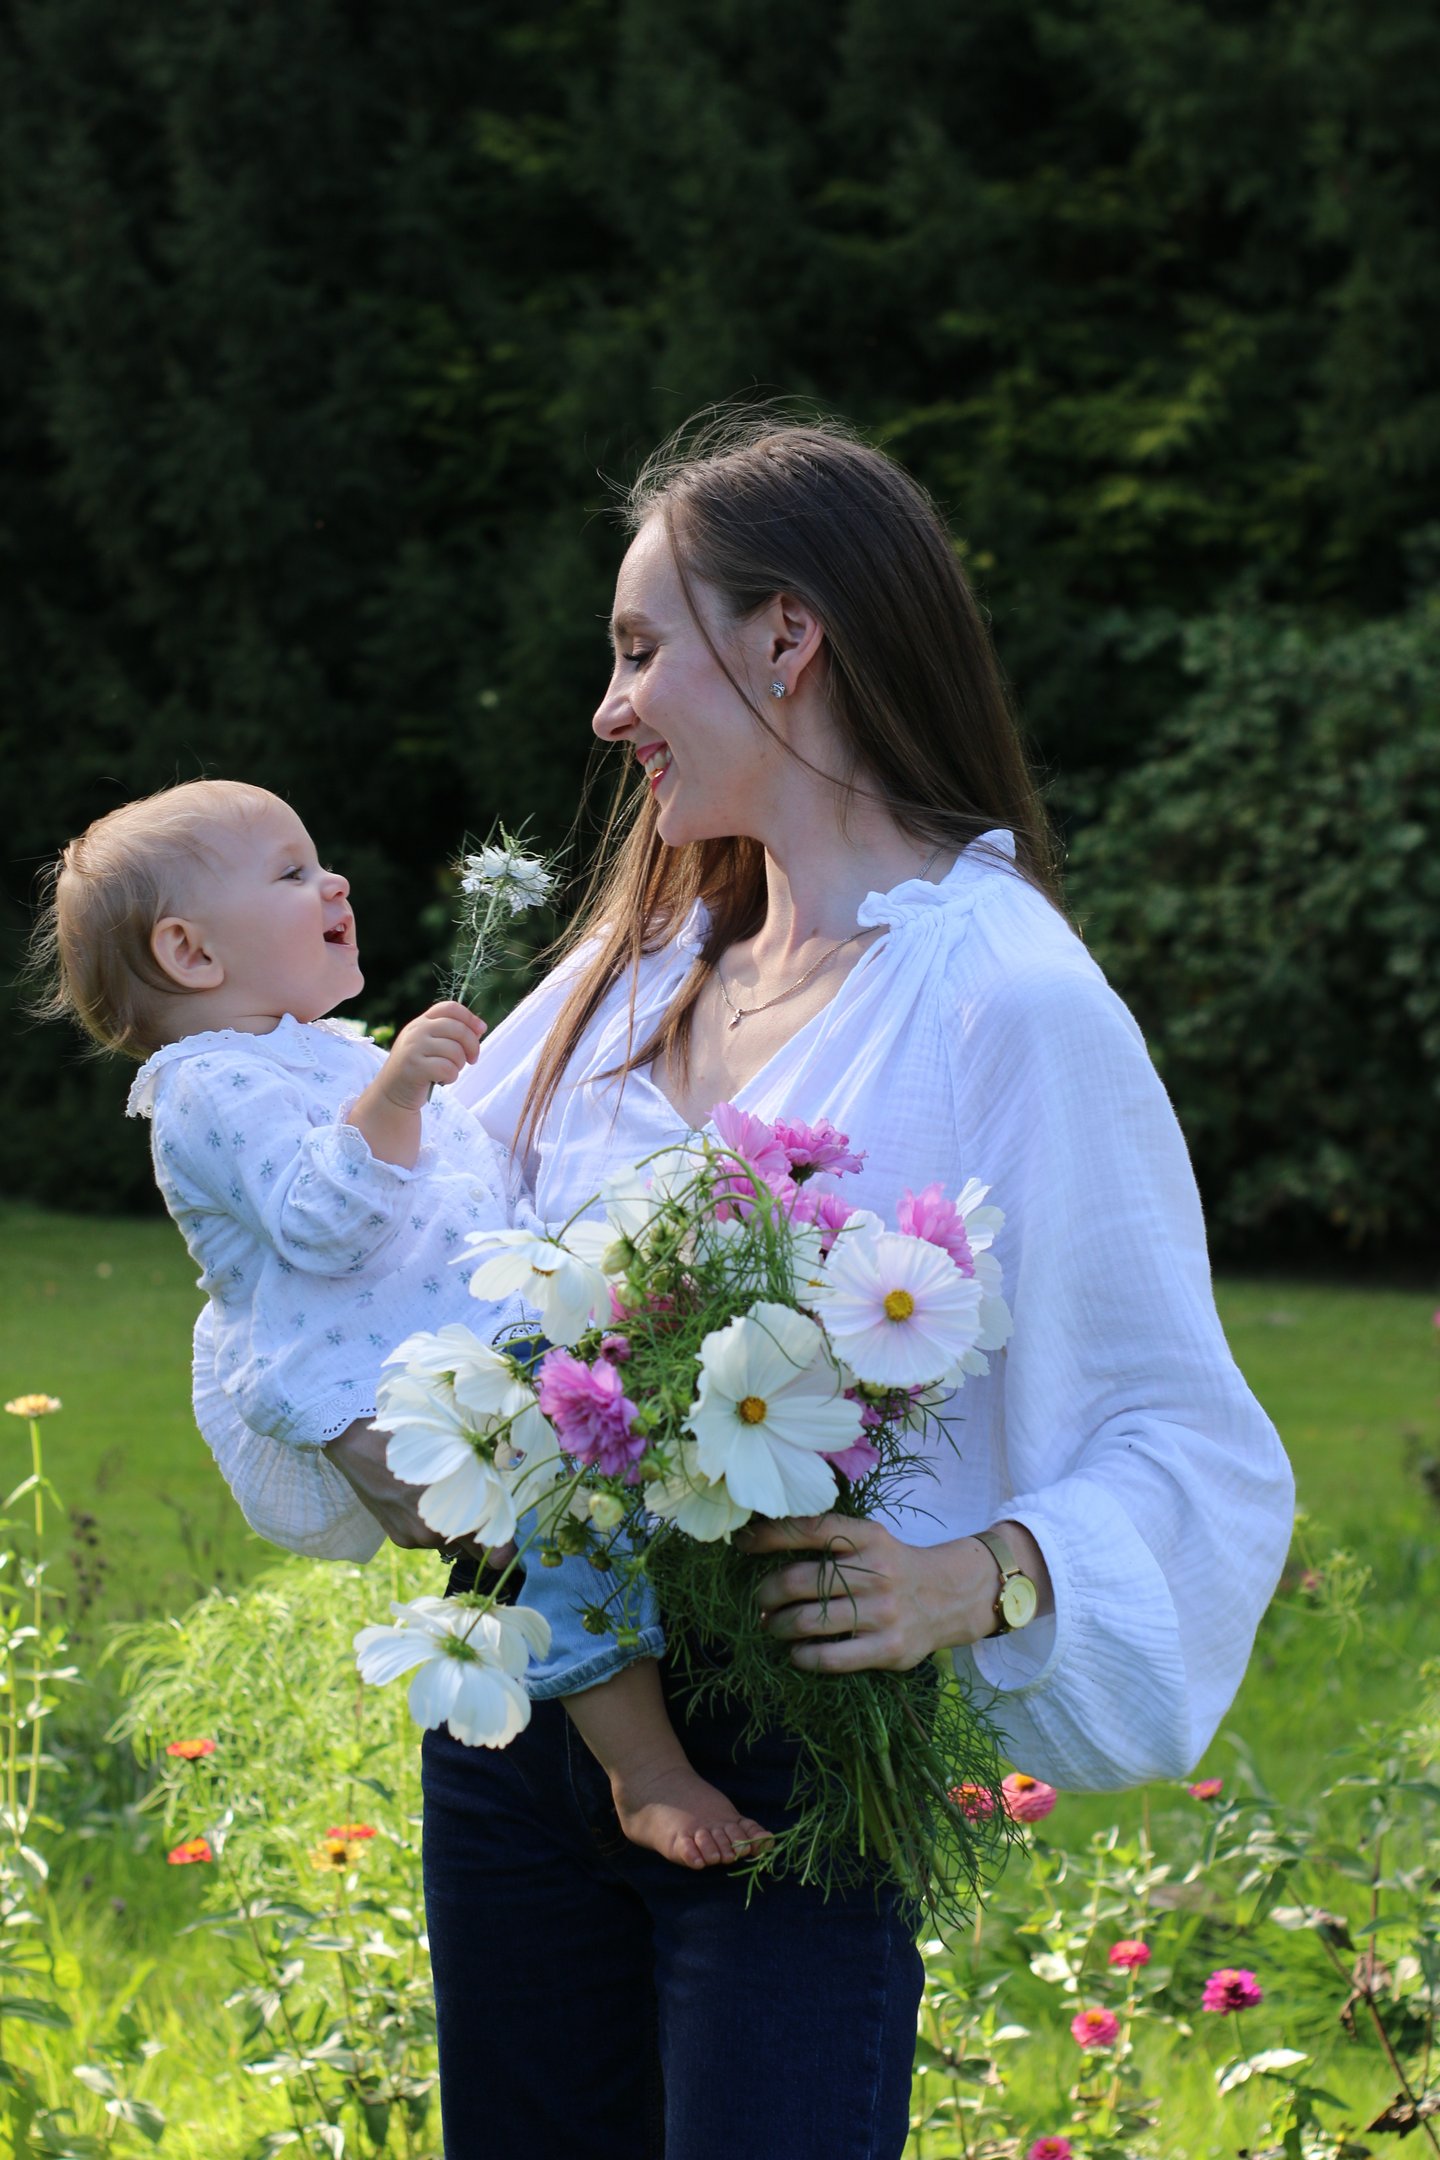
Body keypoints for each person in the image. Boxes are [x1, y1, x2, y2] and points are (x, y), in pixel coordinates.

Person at [304, 412, 1296, 2159]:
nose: (607, 709)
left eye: (639, 649)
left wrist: (971, 1580)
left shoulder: (1006, 1001)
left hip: (791, 1757)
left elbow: (1187, 1441)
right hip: (524, 1714)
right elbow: (385, 1247)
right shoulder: (632, 976)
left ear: (788, 639)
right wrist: (393, 1427)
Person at [30, 777, 771, 1870]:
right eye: (291, 873)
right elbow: (320, 1221)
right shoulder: (205, 1087)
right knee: (564, 1532)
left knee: (612, 1480)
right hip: (398, 1373)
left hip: (475, 1341)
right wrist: (396, 1095)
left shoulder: (307, 1050)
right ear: (190, 953)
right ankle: (644, 1771)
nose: (333, 882)